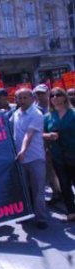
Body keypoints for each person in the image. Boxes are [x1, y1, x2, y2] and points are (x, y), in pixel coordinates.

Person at [11, 88, 48, 229]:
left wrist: (23, 150)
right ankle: (26, 214)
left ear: (32, 99)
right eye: (19, 98)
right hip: (20, 159)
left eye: (24, 97)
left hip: (34, 158)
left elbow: (29, 134)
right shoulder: (15, 114)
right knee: (23, 190)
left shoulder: (36, 114)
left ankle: (41, 219)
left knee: (38, 190)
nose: (21, 100)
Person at [43, 87, 75, 222]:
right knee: (64, 184)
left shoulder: (73, 113)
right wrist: (48, 135)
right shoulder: (48, 117)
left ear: (64, 97)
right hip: (58, 156)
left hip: (73, 153)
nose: (55, 97)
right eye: (52, 95)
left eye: (58, 94)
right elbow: (41, 133)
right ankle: (71, 212)